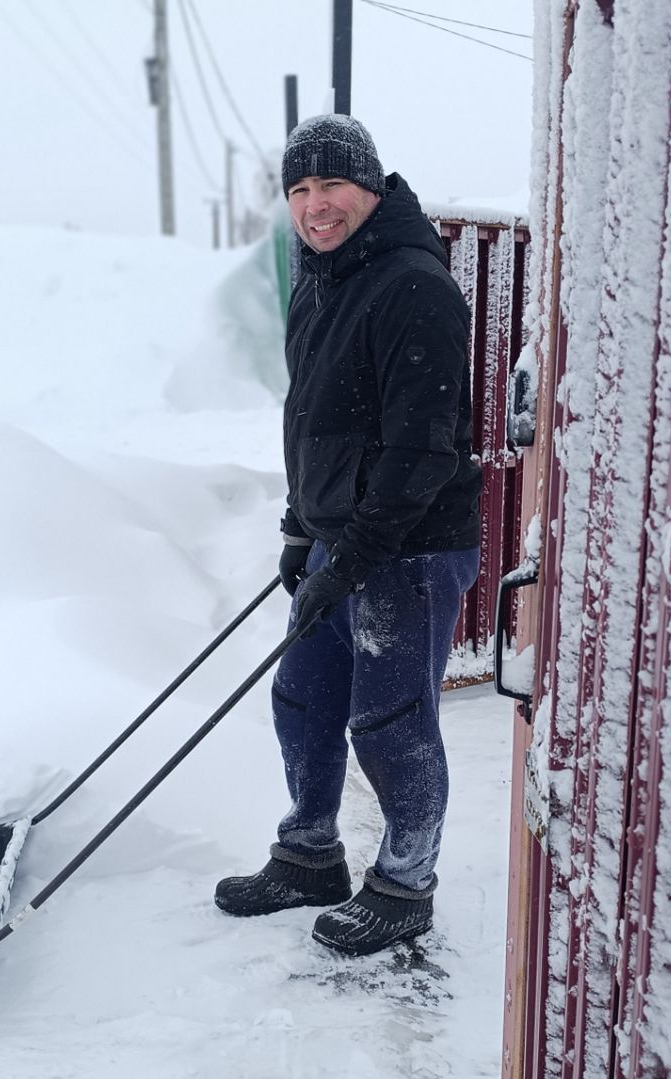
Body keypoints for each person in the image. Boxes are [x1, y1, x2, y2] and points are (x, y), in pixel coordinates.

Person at [213, 114, 482, 957]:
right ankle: (309, 855)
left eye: (331, 183)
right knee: (304, 698)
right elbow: (314, 424)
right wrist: (303, 532)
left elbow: (422, 450)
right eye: (299, 189)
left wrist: (355, 555)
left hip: (410, 544)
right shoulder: (319, 279)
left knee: (389, 720)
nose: (314, 204)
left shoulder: (414, 286)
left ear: (369, 186)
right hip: (344, 538)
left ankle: (405, 882)